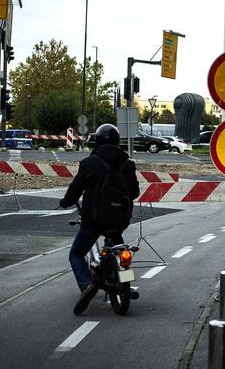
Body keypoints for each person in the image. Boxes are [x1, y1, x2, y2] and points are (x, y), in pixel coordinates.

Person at [59, 123, 140, 315]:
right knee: (121, 255)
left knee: (76, 254)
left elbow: (76, 189)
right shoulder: (128, 163)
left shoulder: (90, 162)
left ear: (98, 141)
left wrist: (65, 202)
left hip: (93, 220)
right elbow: (134, 192)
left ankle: (87, 284)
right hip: (119, 220)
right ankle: (126, 281)